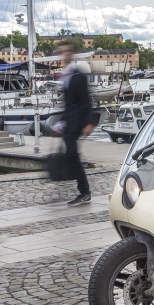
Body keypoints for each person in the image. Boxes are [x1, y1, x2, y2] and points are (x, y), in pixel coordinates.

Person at [58, 40, 95, 206]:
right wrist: (61, 122)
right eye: (62, 51)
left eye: (67, 51)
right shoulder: (66, 74)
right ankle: (82, 190)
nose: (64, 54)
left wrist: (88, 123)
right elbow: (68, 103)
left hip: (77, 122)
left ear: (72, 53)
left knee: (73, 156)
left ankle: (85, 192)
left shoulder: (78, 75)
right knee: (71, 156)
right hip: (69, 122)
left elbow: (86, 101)